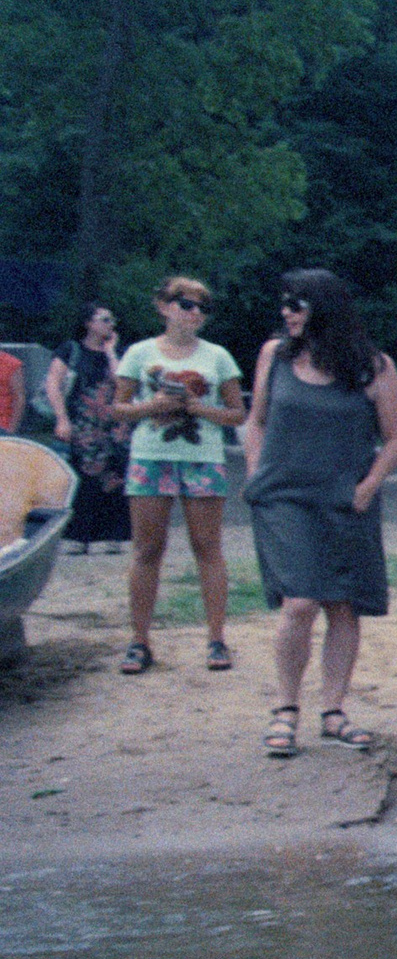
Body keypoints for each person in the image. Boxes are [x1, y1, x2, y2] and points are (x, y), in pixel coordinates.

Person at [241, 270, 397, 757]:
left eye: (297, 303)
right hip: (284, 497)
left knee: (343, 604)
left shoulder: (374, 368)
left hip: (345, 499)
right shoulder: (275, 357)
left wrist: (369, 485)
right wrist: (255, 471)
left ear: (324, 308)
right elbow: (256, 422)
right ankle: (285, 709)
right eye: (284, 303)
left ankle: (333, 711)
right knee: (300, 602)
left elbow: (394, 438)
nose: (287, 312)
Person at [111, 276, 246, 674]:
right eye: (187, 304)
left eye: (203, 307)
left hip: (202, 457)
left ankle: (217, 639)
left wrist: (198, 409)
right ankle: (139, 641)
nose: (195, 314)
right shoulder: (138, 352)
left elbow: (238, 413)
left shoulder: (218, 357)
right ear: (164, 306)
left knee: (208, 546)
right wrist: (152, 405)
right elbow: (118, 407)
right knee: (147, 549)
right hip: (151, 456)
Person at [44, 302, 131, 553]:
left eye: (112, 319)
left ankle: (112, 535)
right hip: (81, 423)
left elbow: (123, 382)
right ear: (88, 323)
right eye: (104, 319)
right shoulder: (70, 350)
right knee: (81, 478)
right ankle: (78, 536)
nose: (110, 324)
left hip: (112, 425)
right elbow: (53, 383)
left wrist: (112, 352)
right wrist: (61, 418)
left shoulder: (116, 352)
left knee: (114, 476)